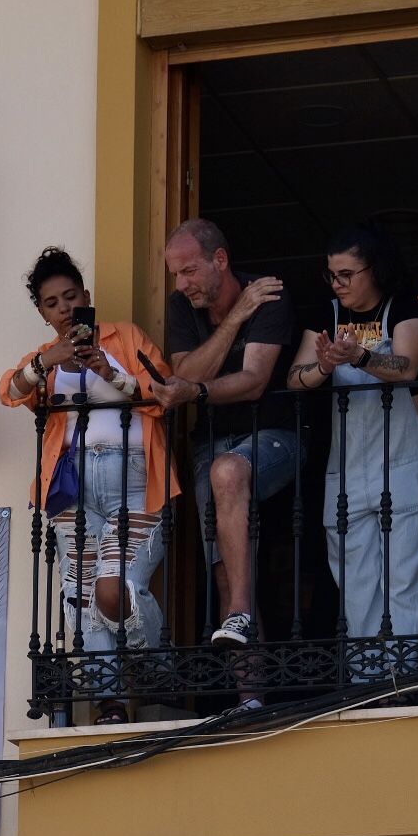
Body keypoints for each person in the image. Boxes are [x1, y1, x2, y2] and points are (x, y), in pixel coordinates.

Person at [0, 247, 179, 725]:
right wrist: (46, 363)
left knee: (113, 588)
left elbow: (162, 392)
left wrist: (107, 370)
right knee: (79, 595)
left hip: (133, 477)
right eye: (52, 303)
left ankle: (158, 662)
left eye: (71, 297)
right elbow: (10, 391)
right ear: (42, 312)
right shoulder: (45, 359)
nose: (63, 309)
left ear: (87, 297)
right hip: (71, 487)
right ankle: (110, 701)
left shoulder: (126, 337)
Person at [288, 227, 418, 673]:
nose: (338, 284)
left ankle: (405, 678)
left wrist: (361, 358)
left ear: (376, 270)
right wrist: (325, 364)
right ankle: (368, 680)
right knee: (355, 579)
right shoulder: (326, 315)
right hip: (347, 469)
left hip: (403, 462)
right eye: (332, 275)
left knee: (405, 576)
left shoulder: (406, 308)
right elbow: (295, 378)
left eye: (347, 273)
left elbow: (406, 366)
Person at [151, 218, 300, 652]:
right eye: (175, 273)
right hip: (211, 441)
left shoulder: (269, 293)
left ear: (220, 260)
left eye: (189, 270)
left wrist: (196, 391)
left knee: (229, 470)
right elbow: (187, 372)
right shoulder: (185, 305)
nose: (180, 284)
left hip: (276, 433)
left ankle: (240, 613)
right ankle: (250, 699)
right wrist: (235, 317)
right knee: (224, 568)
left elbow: (253, 380)